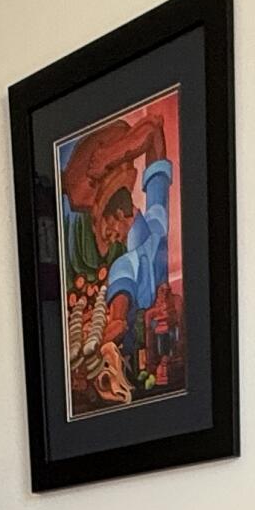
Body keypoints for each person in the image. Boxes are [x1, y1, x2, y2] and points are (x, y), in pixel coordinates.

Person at [85, 158, 176, 406]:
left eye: (108, 232)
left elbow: (118, 324)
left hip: (137, 370)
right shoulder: (158, 225)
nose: (112, 240)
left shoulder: (123, 265)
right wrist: (150, 134)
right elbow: (158, 165)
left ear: (116, 215)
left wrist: (85, 353)